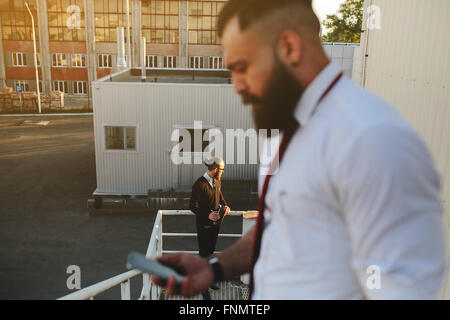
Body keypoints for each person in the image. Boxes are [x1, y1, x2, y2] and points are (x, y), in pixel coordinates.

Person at [151, 0, 446, 299]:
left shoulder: (375, 141)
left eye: (242, 67)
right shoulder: (281, 131)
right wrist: (213, 268)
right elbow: (277, 226)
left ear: (289, 47)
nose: (236, 85)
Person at [189, 156, 230, 299]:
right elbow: (192, 206)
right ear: (215, 169)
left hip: (215, 225)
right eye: (222, 170)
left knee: (211, 254)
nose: (223, 173)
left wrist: (225, 205)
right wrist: (208, 215)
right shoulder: (199, 184)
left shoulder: (217, 181)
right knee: (203, 255)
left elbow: (219, 195)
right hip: (204, 226)